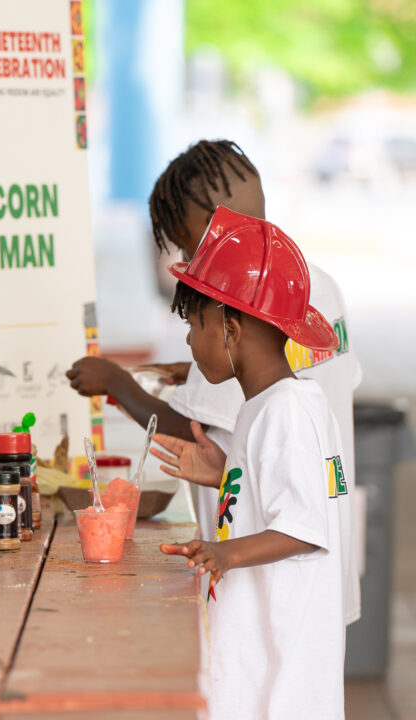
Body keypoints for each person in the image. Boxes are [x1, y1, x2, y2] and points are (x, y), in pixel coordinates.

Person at [65, 142, 361, 624]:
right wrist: (196, 370)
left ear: (211, 225)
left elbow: (190, 430)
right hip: (316, 573)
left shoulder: (233, 302)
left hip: (266, 575)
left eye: (185, 245)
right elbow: (306, 372)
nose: (189, 259)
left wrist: (115, 382)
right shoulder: (311, 285)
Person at [162, 205, 351, 719]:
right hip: (261, 662)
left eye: (196, 322)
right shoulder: (272, 405)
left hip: (281, 685)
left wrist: (223, 554)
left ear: (232, 326)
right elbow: (286, 495)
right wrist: (228, 475)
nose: (188, 339)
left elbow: (305, 528)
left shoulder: (286, 411)